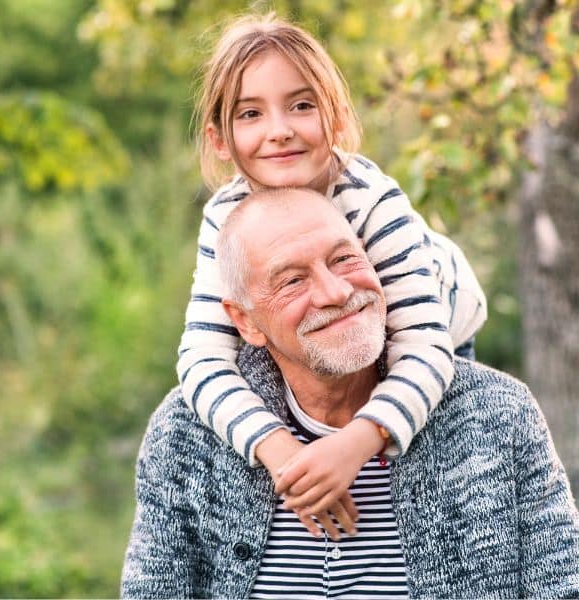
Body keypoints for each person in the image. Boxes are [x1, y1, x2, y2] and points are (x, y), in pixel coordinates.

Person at [121, 188, 579, 598]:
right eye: (292, 280)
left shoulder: (496, 414)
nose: (335, 291)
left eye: (344, 258)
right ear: (246, 321)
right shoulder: (185, 435)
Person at [177, 12, 487, 536]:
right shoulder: (226, 219)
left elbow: (424, 344)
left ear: (337, 119)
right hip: (319, 355)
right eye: (250, 114)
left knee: (429, 477)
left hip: (433, 334)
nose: (279, 131)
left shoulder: (370, 199)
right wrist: (278, 450)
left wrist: (357, 441)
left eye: (301, 106)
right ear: (220, 140)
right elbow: (202, 359)